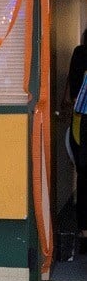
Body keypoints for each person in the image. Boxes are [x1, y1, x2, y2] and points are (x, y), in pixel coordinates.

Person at [65, 27, 87, 254]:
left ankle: (84, 232)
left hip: (81, 122)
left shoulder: (79, 53)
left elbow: (73, 89)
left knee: (83, 177)